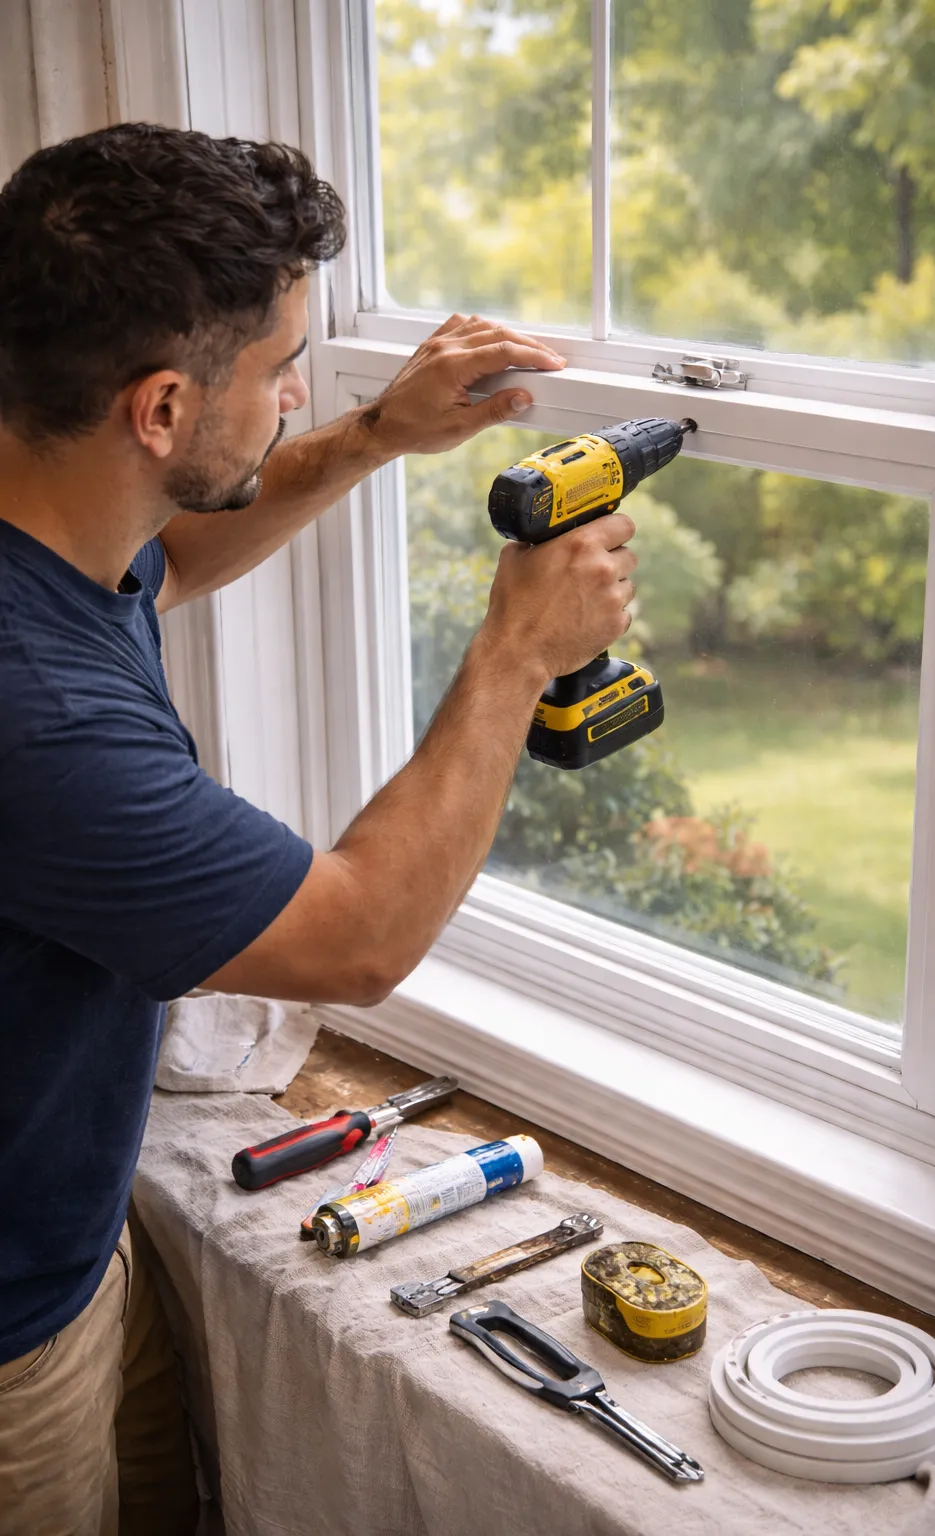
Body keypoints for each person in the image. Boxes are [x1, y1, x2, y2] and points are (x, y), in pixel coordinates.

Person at [0, 124, 637, 1533]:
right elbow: (355, 939)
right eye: (284, 368)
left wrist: (373, 437)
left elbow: (159, 559)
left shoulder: (43, 509)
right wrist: (516, 654)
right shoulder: (31, 714)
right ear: (161, 409)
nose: (299, 393)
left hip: (69, 1229)